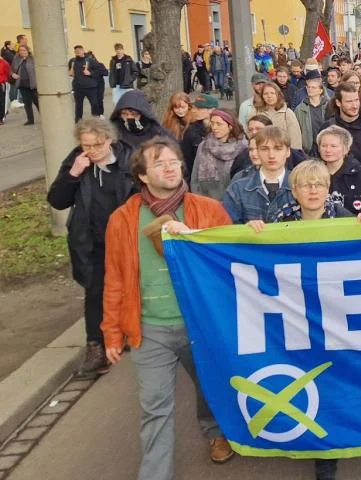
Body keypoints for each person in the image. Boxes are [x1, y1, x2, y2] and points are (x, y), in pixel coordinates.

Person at [101, 138, 235, 479]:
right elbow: (115, 277)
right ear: (143, 176)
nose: (171, 166)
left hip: (199, 325)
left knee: (211, 387)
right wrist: (112, 332)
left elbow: (230, 262)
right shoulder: (123, 218)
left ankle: (216, 432)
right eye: (160, 163)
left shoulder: (208, 209)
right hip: (149, 329)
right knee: (155, 409)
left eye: (174, 160)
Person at [47, 118, 138, 379]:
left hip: (125, 239)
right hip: (90, 241)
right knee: (95, 291)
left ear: (110, 140)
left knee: (131, 286)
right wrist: (73, 173)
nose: (92, 150)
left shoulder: (128, 160)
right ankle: (96, 348)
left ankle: (129, 333)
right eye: (86, 145)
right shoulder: (77, 161)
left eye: (97, 144)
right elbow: (57, 200)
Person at [222, 125, 297, 224]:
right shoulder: (237, 190)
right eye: (264, 149)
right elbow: (226, 229)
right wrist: (245, 229)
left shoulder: (302, 186)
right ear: (257, 151)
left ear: (288, 152)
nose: (271, 155)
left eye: (278, 148)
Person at [314, 125, 361, 214]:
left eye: (333, 146)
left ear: (346, 149)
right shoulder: (312, 174)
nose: (328, 150)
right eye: (324, 146)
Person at [192, 109, 248, 199]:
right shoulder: (204, 146)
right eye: (212, 123)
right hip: (205, 202)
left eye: (219, 124)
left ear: (230, 126)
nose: (214, 127)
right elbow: (194, 178)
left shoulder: (241, 148)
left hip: (231, 202)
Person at [253, 82, 304, 149]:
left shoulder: (287, 113)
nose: (269, 96)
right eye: (266, 94)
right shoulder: (257, 113)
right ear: (262, 96)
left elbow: (295, 139)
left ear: (278, 95)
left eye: (272, 93)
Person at [181, 94, 219, 178]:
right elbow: (187, 159)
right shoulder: (191, 131)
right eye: (195, 108)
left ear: (212, 110)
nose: (194, 111)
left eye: (199, 108)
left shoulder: (223, 129)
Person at [69, 45, 107, 122]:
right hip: (78, 87)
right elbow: (70, 72)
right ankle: (78, 121)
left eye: (79, 50)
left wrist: (90, 73)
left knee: (94, 104)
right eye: (76, 51)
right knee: (78, 106)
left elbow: (99, 71)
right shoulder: (72, 61)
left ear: (83, 50)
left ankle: (95, 120)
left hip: (91, 87)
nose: (78, 52)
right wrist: (70, 73)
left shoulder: (90, 60)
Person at [295, 71, 329, 155]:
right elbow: (297, 130)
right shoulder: (300, 109)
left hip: (326, 146)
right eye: (308, 87)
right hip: (308, 150)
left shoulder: (329, 107)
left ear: (320, 90)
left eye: (313, 87)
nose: (310, 89)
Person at [11, 45, 35, 125]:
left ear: (28, 51)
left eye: (24, 50)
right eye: (20, 50)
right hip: (22, 85)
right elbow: (11, 70)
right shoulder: (16, 59)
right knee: (27, 104)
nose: (22, 52)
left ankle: (45, 118)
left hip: (33, 85)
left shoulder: (33, 59)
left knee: (38, 103)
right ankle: (30, 120)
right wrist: (13, 74)